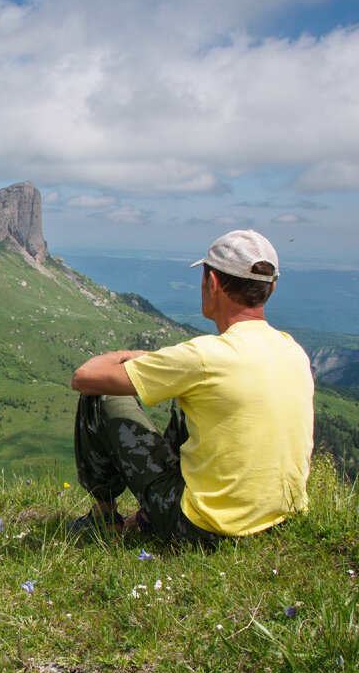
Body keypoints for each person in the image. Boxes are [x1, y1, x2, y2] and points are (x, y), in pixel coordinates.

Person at [67, 229, 313, 547]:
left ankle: (104, 517)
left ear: (211, 283)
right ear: (271, 288)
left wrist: (133, 356)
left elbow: (84, 377)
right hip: (280, 518)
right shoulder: (293, 350)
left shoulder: (205, 356)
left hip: (202, 529)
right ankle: (144, 517)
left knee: (101, 394)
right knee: (186, 412)